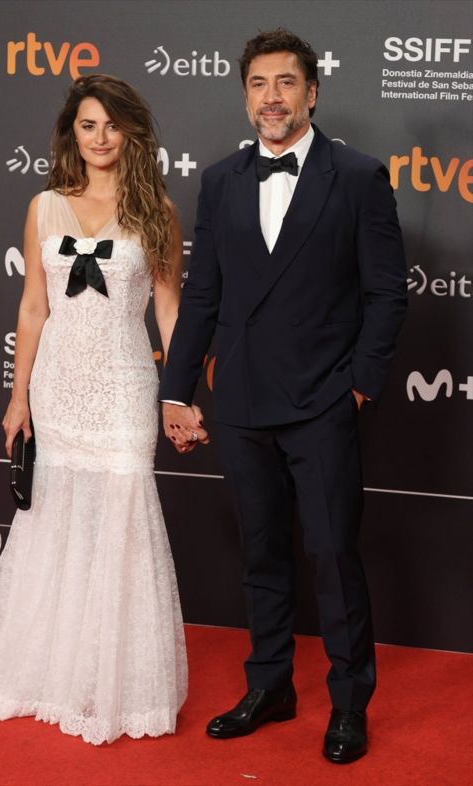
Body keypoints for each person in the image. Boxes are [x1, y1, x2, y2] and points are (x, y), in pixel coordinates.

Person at [159, 29, 407, 763]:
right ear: (246, 96)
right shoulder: (220, 181)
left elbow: (387, 294)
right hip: (239, 400)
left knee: (332, 554)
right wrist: (176, 391)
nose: (272, 97)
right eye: (259, 84)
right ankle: (269, 685)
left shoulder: (357, 176)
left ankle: (350, 703)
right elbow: (203, 295)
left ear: (312, 93)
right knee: (262, 554)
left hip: (322, 401)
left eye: (286, 82)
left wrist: (358, 387)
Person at [0, 74, 187, 745]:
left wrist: (178, 394)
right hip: (58, 387)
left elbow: (169, 312)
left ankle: (113, 685)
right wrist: (18, 397)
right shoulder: (44, 207)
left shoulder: (158, 212)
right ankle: (46, 676)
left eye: (112, 125)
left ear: (132, 133)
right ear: (72, 133)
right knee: (54, 523)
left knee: (121, 525)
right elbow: (34, 306)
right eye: (88, 125)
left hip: (124, 387)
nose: (100, 138)